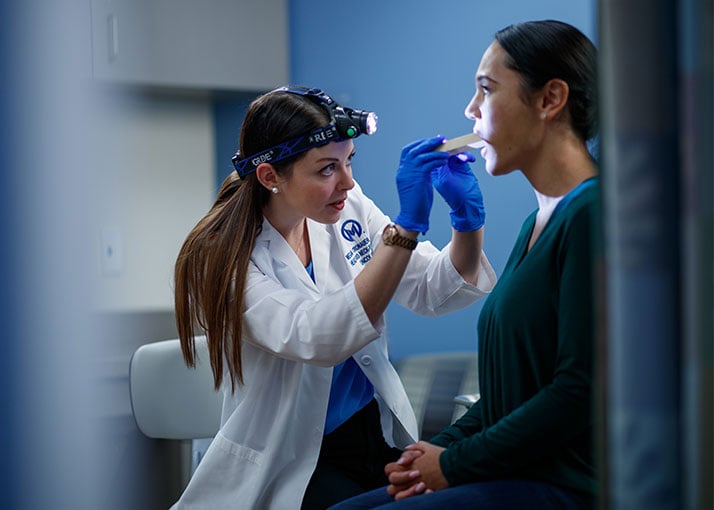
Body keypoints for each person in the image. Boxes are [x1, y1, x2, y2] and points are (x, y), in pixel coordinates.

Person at [171, 85, 496, 509]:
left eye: (348, 162)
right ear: (270, 176)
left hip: (372, 433)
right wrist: (406, 229)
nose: (348, 182)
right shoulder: (221, 258)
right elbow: (317, 336)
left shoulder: (346, 207)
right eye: (327, 169)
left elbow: (431, 290)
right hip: (293, 459)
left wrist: (466, 222)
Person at [329, 19, 600, 510]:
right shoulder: (537, 224)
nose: (470, 111)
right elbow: (506, 397)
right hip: (514, 472)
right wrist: (434, 450)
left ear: (549, 99)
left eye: (485, 90)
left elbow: (579, 389)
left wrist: (452, 463)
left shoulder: (592, 213)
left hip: (567, 486)